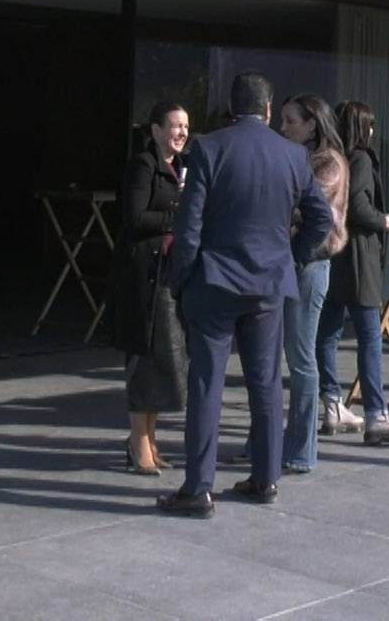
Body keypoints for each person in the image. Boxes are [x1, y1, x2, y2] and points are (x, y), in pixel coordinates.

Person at [158, 73, 333, 517]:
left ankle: (198, 488)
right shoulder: (293, 155)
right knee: (266, 383)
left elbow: (189, 226)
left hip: (215, 281)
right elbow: (321, 218)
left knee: (206, 383)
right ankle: (266, 478)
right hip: (269, 285)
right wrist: (292, 257)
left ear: (231, 106)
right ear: (269, 109)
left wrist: (180, 278)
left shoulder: (209, 148)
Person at [319, 100, 389, 446]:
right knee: (370, 335)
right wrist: (383, 220)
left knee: (328, 332)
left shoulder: (333, 157)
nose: (373, 131)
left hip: (335, 253)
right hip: (359, 255)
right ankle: (377, 413)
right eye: (370, 125)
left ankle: (332, 402)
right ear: (362, 128)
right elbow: (358, 207)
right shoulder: (360, 158)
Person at [111, 102, 191, 476]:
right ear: (156, 129)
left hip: (168, 275)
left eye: (186, 126)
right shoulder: (143, 165)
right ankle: (137, 442)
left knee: (164, 361)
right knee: (143, 360)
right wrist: (179, 217)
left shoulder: (180, 168)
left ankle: (150, 440)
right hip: (144, 276)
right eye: (175, 125)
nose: (182, 133)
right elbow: (135, 217)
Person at [276, 94, 348, 473]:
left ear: (312, 126)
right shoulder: (297, 157)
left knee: (301, 357)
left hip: (310, 263)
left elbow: (305, 209)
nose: (283, 128)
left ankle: (302, 448)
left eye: (291, 121)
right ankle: (273, 441)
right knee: (280, 355)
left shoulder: (328, 162)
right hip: (290, 261)